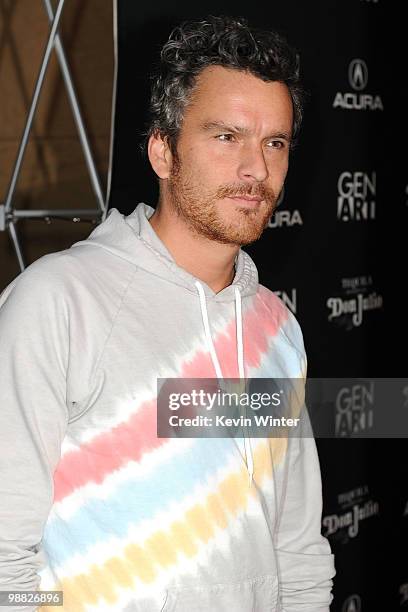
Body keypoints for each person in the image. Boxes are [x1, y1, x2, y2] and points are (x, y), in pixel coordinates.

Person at [0, 15, 335, 612]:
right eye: (226, 137)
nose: (255, 168)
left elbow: (297, 549)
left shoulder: (276, 330)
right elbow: (4, 554)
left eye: (274, 142)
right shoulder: (58, 303)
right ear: (162, 149)